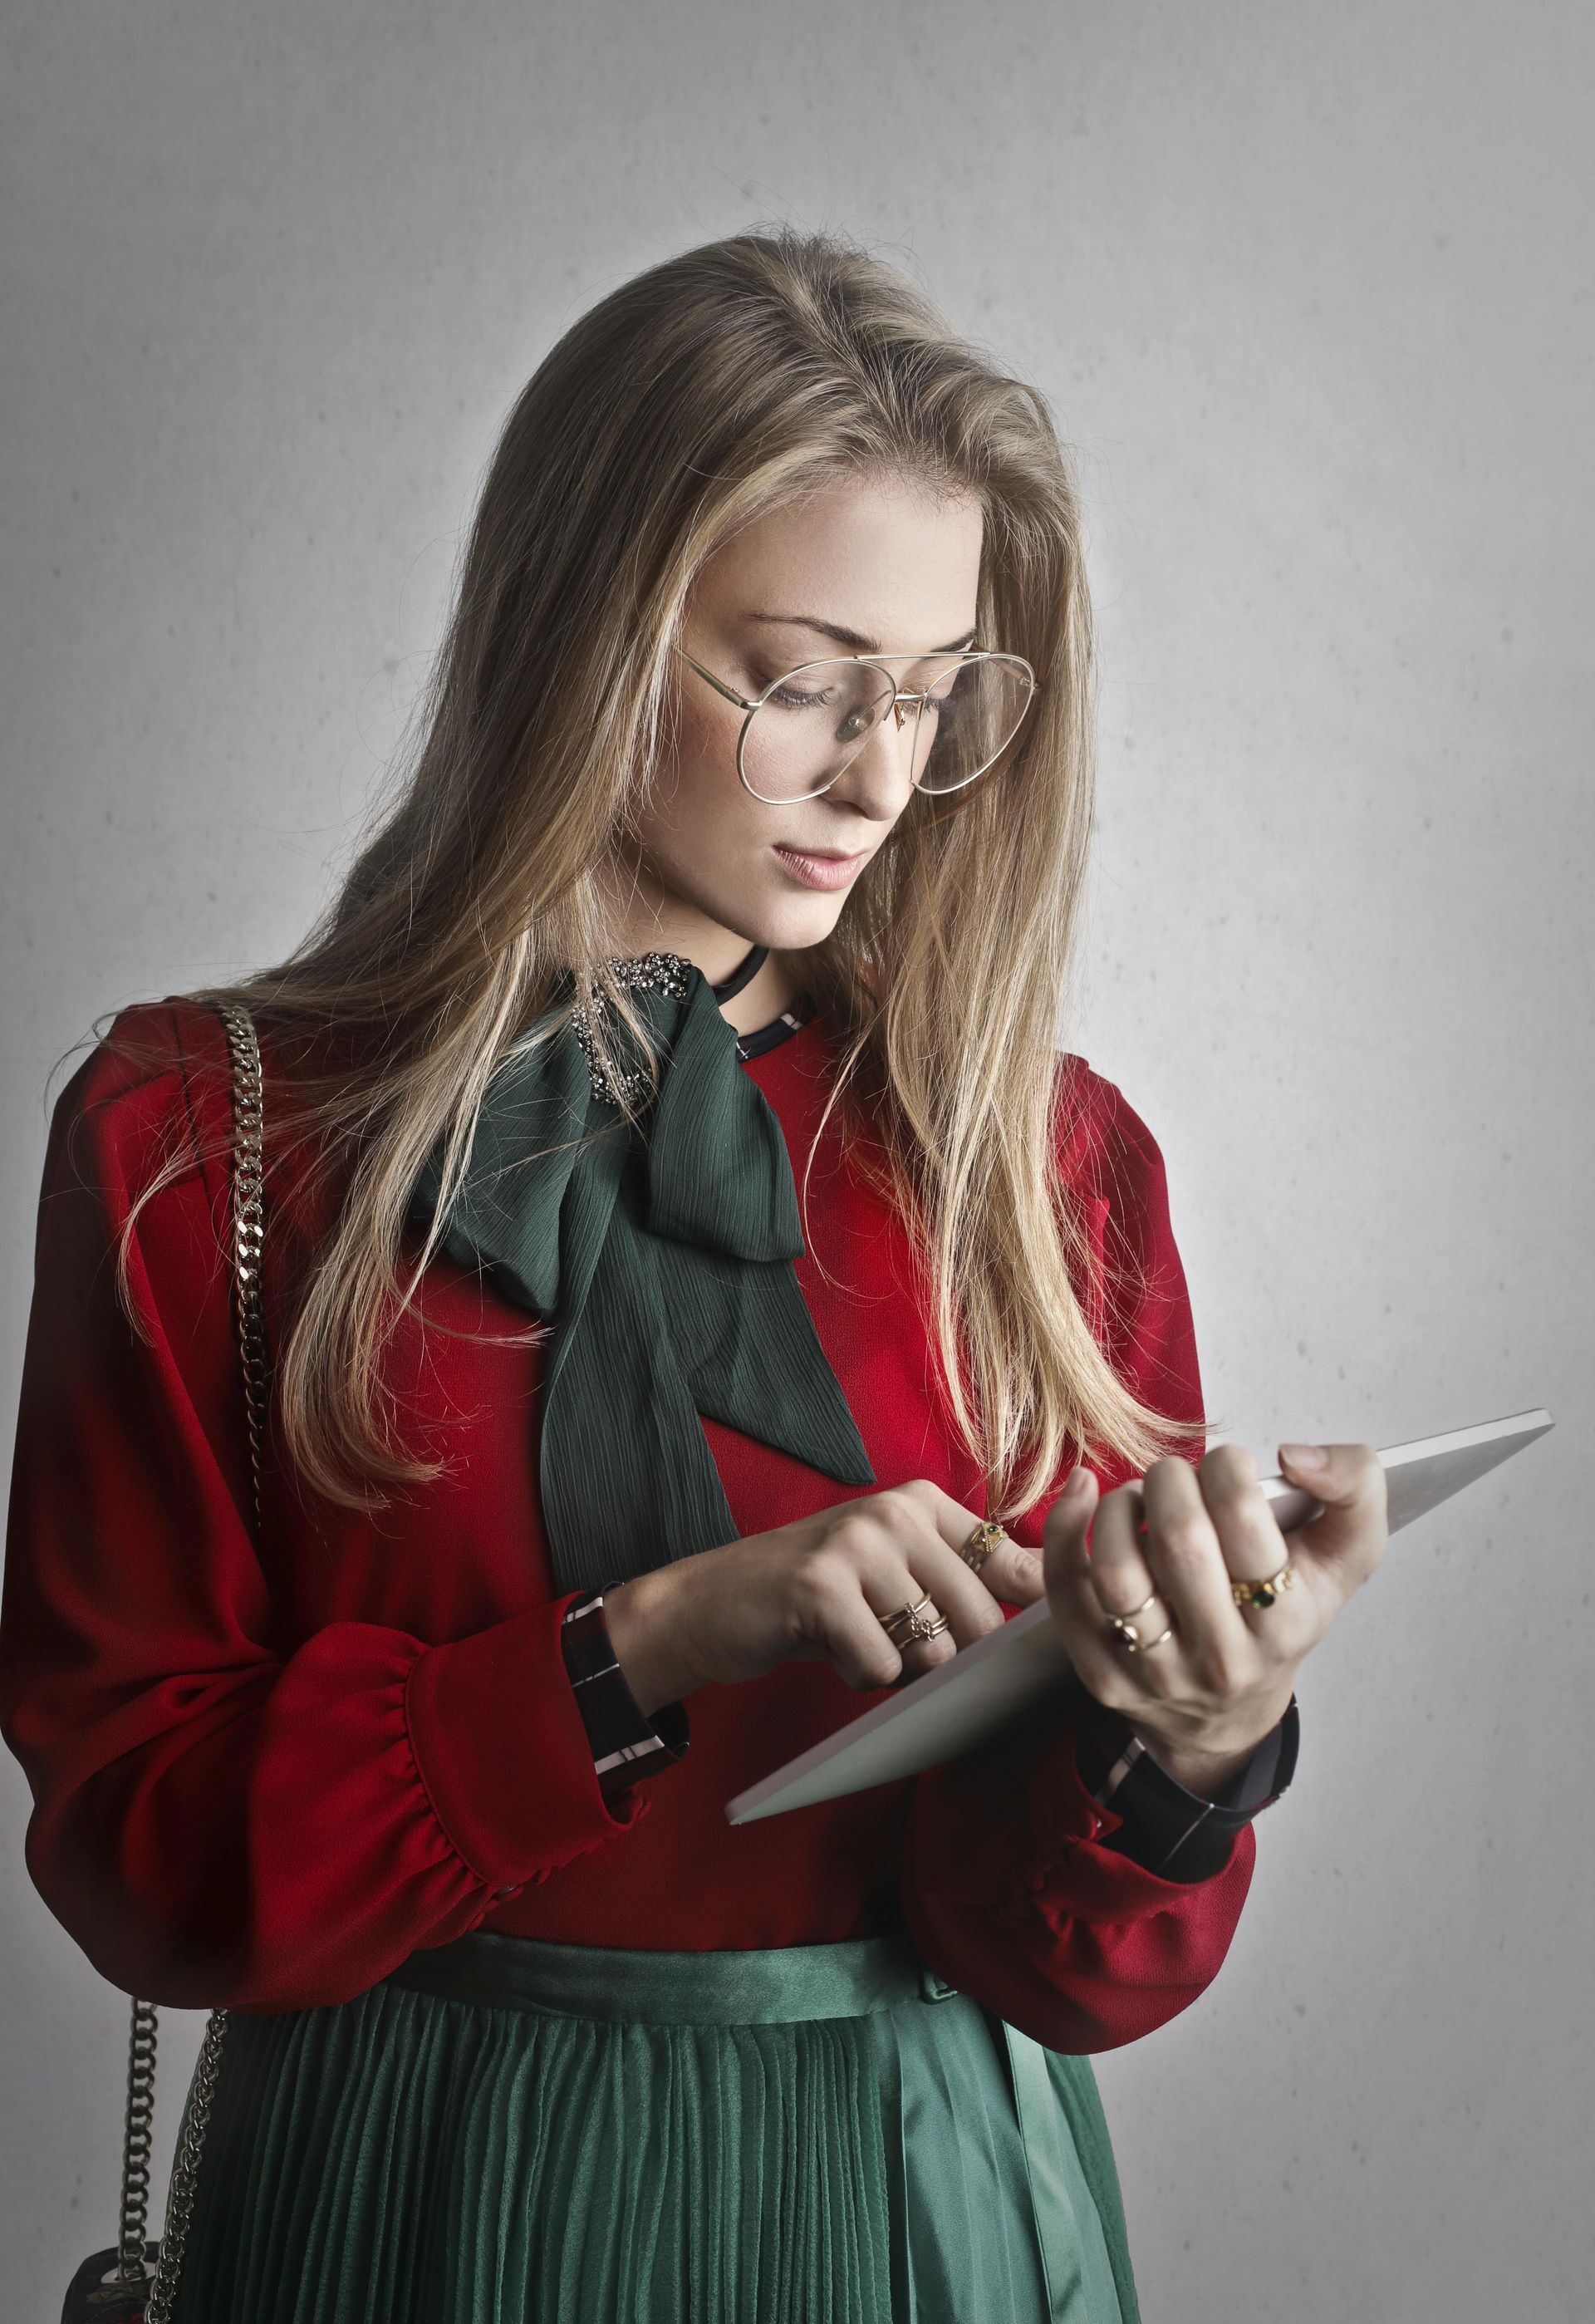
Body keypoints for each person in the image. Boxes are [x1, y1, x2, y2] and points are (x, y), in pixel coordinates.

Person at [0, 226, 1387, 2324]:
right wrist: (643, 1640)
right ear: (584, 628)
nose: (880, 776)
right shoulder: (207, 1137)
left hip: (923, 2204)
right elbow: (149, 1858)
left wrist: (1191, 1737)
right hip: (413, 2198)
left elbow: (1064, 1968)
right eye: (805, 677)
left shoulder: (1051, 1170)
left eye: (933, 696)